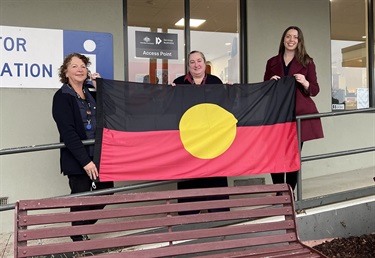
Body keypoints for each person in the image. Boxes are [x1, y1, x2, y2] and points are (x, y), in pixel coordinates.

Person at [52, 53, 114, 241]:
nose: (80, 70)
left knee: (106, 192)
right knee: (80, 198)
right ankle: (78, 240)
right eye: (74, 66)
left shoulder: (91, 91)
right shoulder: (62, 97)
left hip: (98, 155)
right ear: (66, 72)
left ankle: (79, 229)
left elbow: (113, 112)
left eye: (83, 66)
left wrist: (100, 88)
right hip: (79, 159)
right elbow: (68, 133)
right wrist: (85, 162)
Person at [263, 26, 324, 193]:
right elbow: (265, 89)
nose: (291, 40)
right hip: (277, 114)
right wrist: (270, 83)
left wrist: (305, 82)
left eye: (295, 37)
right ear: (283, 40)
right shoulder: (272, 62)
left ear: (299, 41)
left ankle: (289, 192)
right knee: (275, 154)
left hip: (299, 115)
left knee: (292, 156)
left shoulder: (307, 62)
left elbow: (315, 90)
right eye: (288, 36)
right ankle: (279, 191)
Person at [173, 50, 229, 214]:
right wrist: (168, 94)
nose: (196, 65)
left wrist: (232, 91)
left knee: (214, 172)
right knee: (190, 173)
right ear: (188, 65)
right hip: (189, 138)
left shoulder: (216, 82)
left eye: (199, 61)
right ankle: (189, 211)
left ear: (205, 63)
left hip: (213, 138)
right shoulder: (178, 83)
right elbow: (171, 109)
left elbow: (224, 106)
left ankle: (217, 210)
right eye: (192, 62)